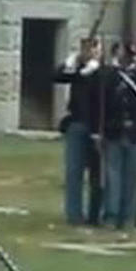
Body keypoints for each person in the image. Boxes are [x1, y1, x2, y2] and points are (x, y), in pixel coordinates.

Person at [91, 42, 136, 230]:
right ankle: (111, 215)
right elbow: (98, 102)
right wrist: (98, 131)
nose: (129, 59)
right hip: (113, 131)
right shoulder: (108, 75)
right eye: (126, 55)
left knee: (132, 180)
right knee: (112, 178)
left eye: (132, 56)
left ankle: (129, 218)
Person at [55, 38, 103, 226]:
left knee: (97, 175)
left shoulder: (100, 71)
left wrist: (92, 68)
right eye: (87, 48)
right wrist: (72, 61)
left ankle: (95, 215)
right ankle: (74, 215)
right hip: (76, 124)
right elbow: (57, 76)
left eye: (94, 47)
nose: (91, 51)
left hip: (97, 127)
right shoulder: (77, 69)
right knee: (74, 172)